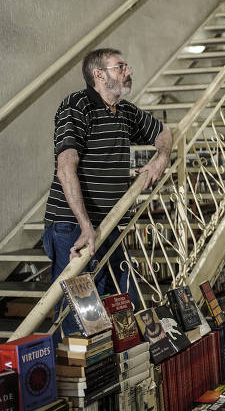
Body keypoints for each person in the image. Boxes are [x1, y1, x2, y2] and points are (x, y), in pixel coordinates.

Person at [43, 48, 172, 336]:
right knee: (76, 318)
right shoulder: (77, 105)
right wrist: (86, 226)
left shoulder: (125, 111)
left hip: (111, 225)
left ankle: (117, 374)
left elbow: (164, 132)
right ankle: (75, 380)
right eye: (120, 67)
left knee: (124, 307)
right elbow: (66, 167)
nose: (128, 72)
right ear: (98, 74)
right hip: (73, 226)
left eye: (126, 66)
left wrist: (160, 158)